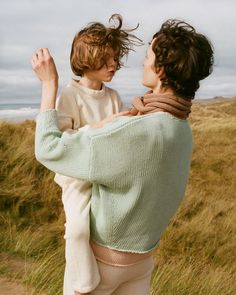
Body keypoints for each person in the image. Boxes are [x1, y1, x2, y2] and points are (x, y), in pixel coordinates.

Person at [32, 19, 213, 295]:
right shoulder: (182, 129)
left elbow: (48, 148)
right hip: (142, 262)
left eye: (147, 57)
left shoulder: (135, 128)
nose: (142, 63)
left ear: (161, 70)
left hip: (102, 267)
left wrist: (49, 83)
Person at [51, 14, 141, 295]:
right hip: (77, 177)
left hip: (107, 175)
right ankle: (82, 283)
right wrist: (100, 127)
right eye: (107, 59)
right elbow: (63, 141)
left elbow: (117, 139)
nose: (114, 64)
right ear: (87, 59)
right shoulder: (70, 94)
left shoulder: (113, 97)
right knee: (78, 230)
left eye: (115, 58)